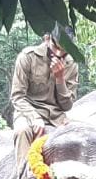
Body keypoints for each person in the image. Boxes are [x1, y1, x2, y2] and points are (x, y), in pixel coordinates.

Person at [10, 26, 79, 165]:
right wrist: (34, 118)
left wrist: (60, 79)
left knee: (78, 138)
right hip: (28, 113)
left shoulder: (71, 63)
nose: (59, 53)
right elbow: (17, 96)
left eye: (64, 50)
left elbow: (67, 105)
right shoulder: (27, 57)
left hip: (57, 117)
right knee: (22, 131)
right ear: (47, 39)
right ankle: (23, 178)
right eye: (56, 47)